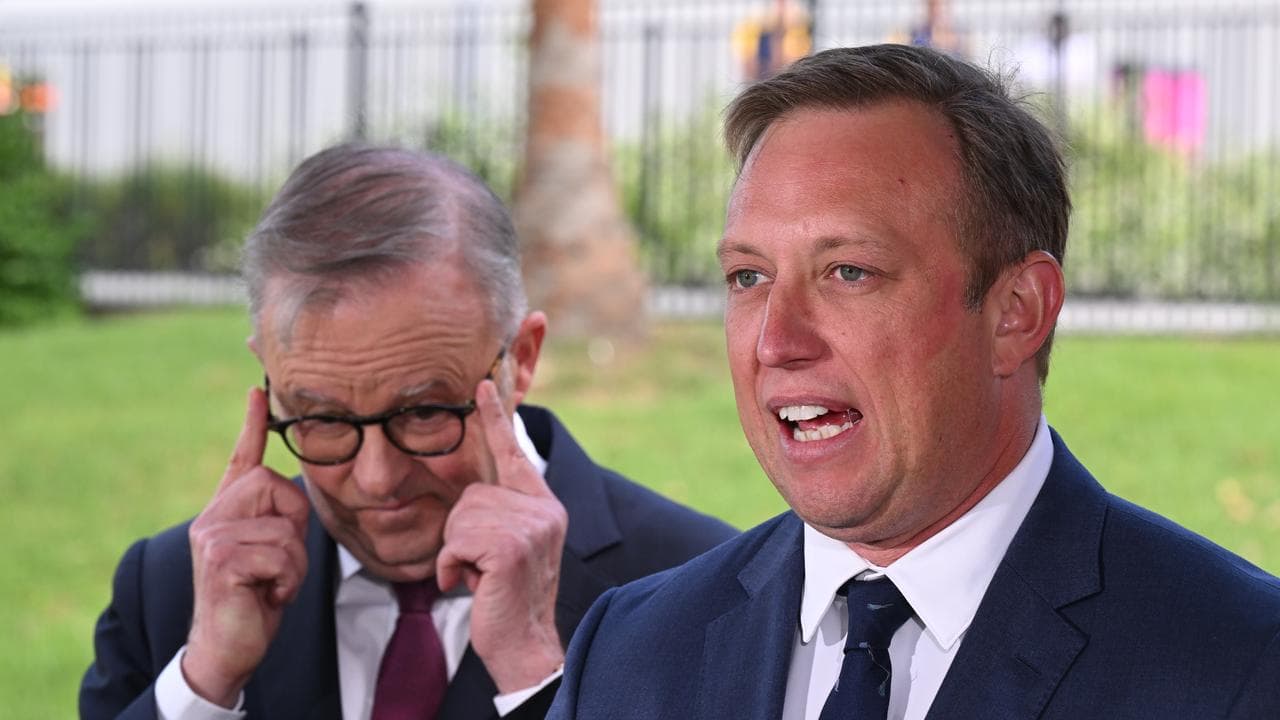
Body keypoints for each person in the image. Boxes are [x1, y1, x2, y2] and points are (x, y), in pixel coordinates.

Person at [549, 44, 1280, 719]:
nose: (776, 341)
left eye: (849, 272)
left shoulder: (1239, 666)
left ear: (1016, 313)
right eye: (749, 276)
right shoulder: (629, 652)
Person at [80, 144, 736, 720]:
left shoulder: (704, 593)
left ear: (522, 359)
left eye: (423, 413)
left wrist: (539, 680)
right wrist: (205, 686)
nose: (376, 479)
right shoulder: (169, 593)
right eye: (324, 418)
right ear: (270, 379)